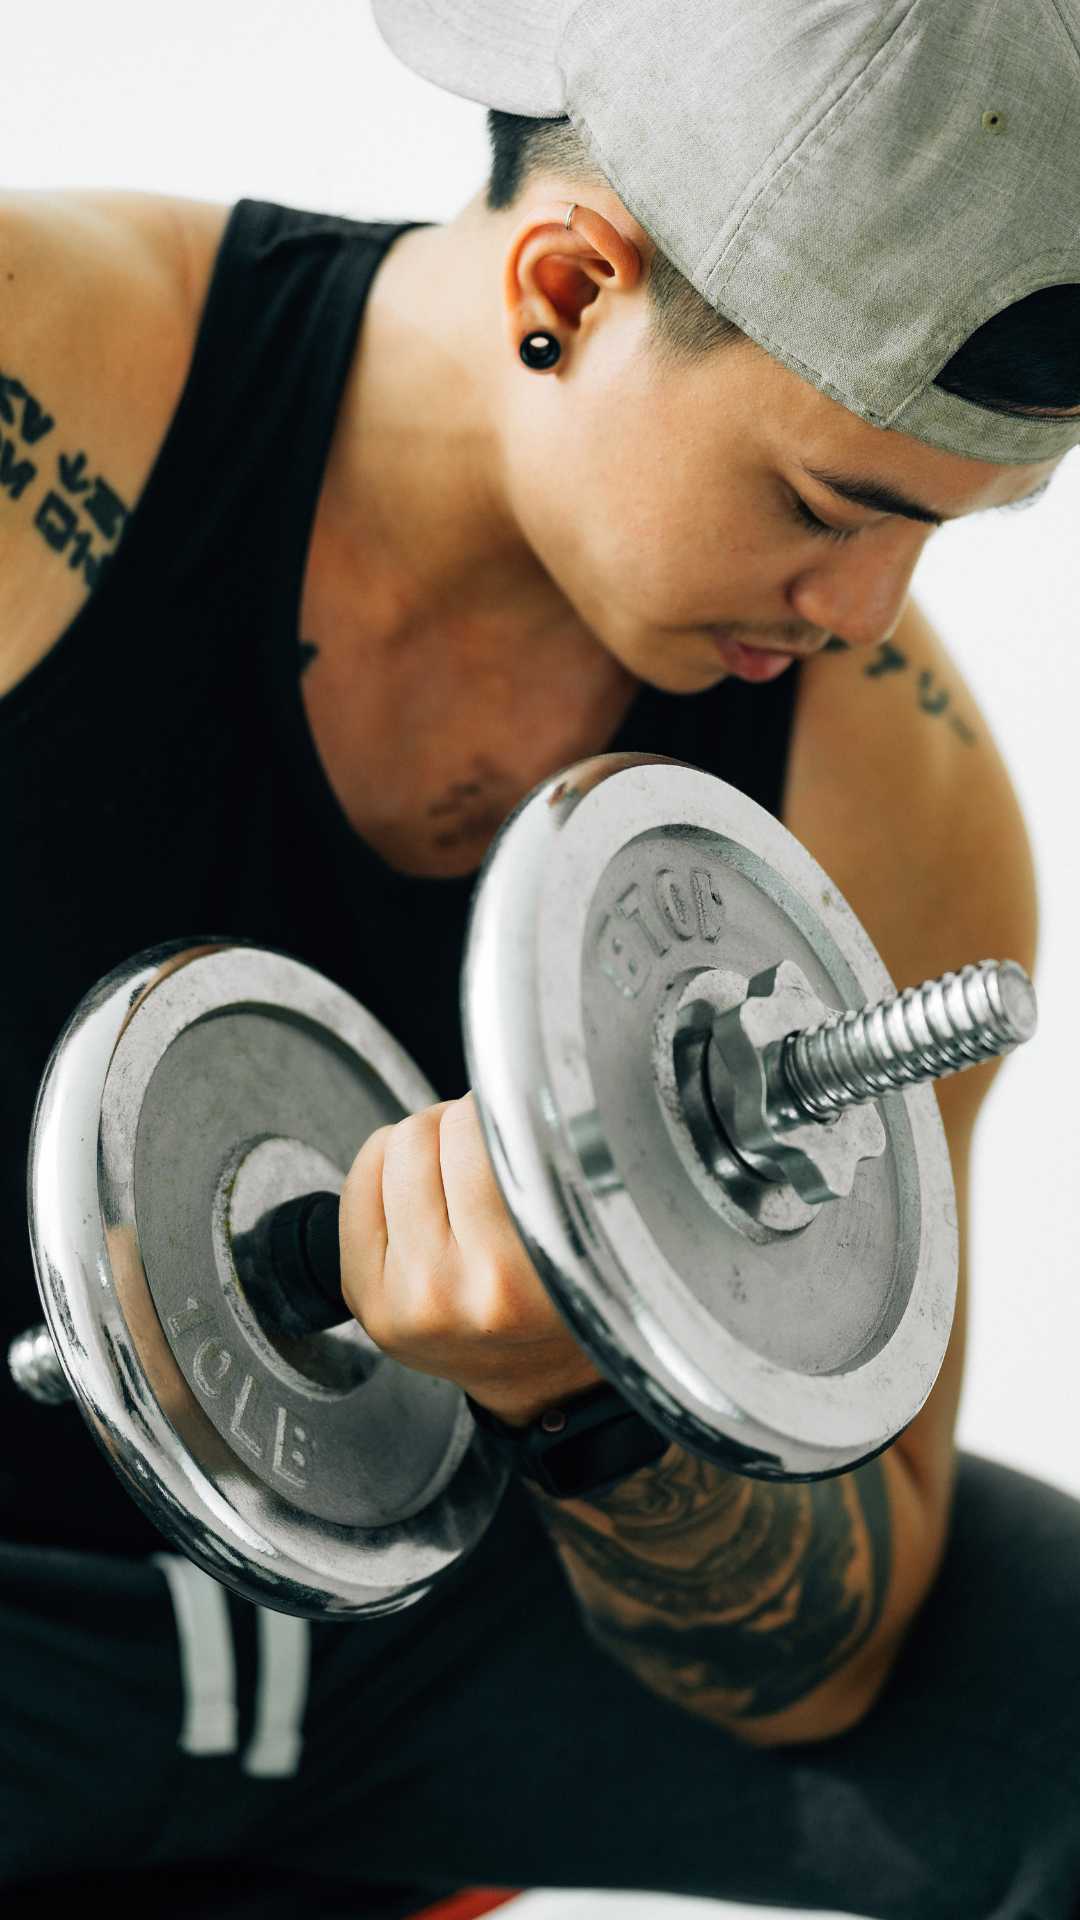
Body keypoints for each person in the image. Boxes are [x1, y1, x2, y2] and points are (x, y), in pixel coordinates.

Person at [1, 1, 1078, 1914]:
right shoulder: (41, 398)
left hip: (449, 1644)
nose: (863, 611)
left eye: (945, 534)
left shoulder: (893, 797)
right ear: (571, 285)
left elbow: (836, 1648)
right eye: (828, 504)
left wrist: (580, 1407)